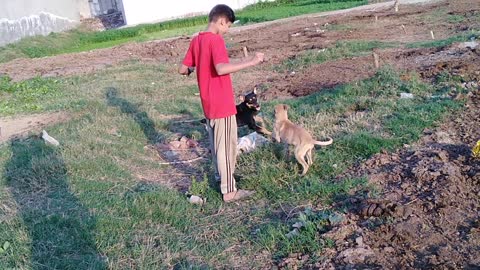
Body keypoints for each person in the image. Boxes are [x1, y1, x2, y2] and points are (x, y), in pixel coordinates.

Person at [178, 4, 264, 202]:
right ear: (221, 21)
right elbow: (221, 68)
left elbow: (183, 69)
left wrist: (195, 70)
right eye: (228, 26)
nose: (227, 30)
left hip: (208, 105)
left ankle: (221, 178)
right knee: (227, 148)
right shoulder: (216, 40)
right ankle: (229, 191)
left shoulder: (197, 39)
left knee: (218, 146)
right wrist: (251, 61)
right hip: (222, 105)